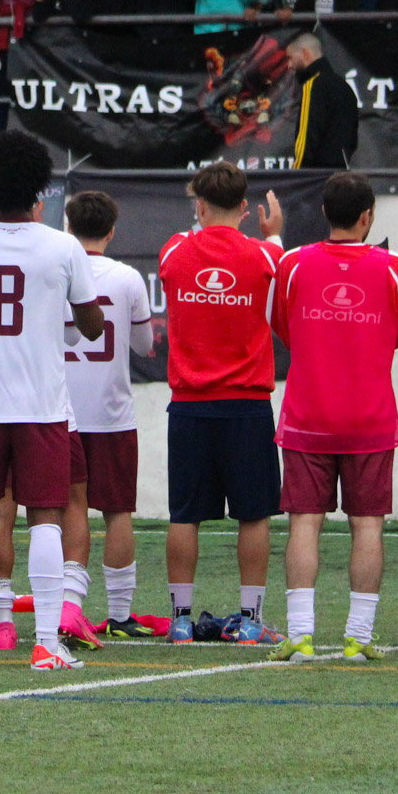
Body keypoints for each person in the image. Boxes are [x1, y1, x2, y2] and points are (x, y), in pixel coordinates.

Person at [0, 131, 104, 671]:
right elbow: (92, 323)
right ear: (39, 188)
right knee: (47, 521)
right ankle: (46, 644)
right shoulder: (62, 246)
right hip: (42, 408)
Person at [268, 172, 398, 661]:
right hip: (370, 419)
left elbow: (281, 327)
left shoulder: (291, 264)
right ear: (369, 215)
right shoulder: (395, 268)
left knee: (304, 525)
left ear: (325, 213)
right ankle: (358, 637)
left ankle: (301, 635)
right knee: (367, 527)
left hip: (308, 416)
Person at [154, 163, 283, 644]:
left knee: (184, 514)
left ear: (200, 205)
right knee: (253, 515)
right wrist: (273, 235)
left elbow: (187, 244)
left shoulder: (174, 251)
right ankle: (250, 621)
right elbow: (274, 259)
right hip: (247, 408)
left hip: (189, 406)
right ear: (247, 210)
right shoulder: (264, 257)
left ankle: (182, 620)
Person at [54, 191, 154, 641]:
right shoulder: (128, 278)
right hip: (111, 414)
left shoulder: (56, 271)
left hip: (60, 413)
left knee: (55, 513)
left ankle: (61, 609)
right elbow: (144, 346)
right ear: (112, 232)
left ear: (67, 226)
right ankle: (118, 614)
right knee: (117, 512)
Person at [286, 33, 360, 170]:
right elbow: (352, 140)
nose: (289, 65)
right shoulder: (344, 86)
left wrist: (296, 174)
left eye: (290, 58)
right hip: (342, 173)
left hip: (316, 177)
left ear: (305, 53)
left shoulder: (314, 85)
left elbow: (307, 138)